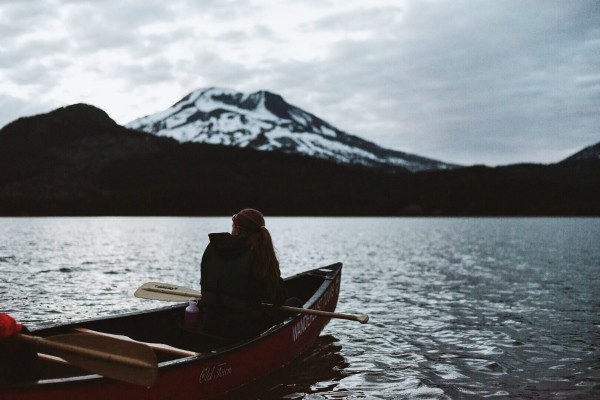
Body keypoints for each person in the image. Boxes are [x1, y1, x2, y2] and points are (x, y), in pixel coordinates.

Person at [199, 208, 287, 341]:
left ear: (238, 229)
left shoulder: (213, 246)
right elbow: (278, 298)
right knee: (294, 302)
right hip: (243, 330)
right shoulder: (260, 253)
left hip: (209, 323)